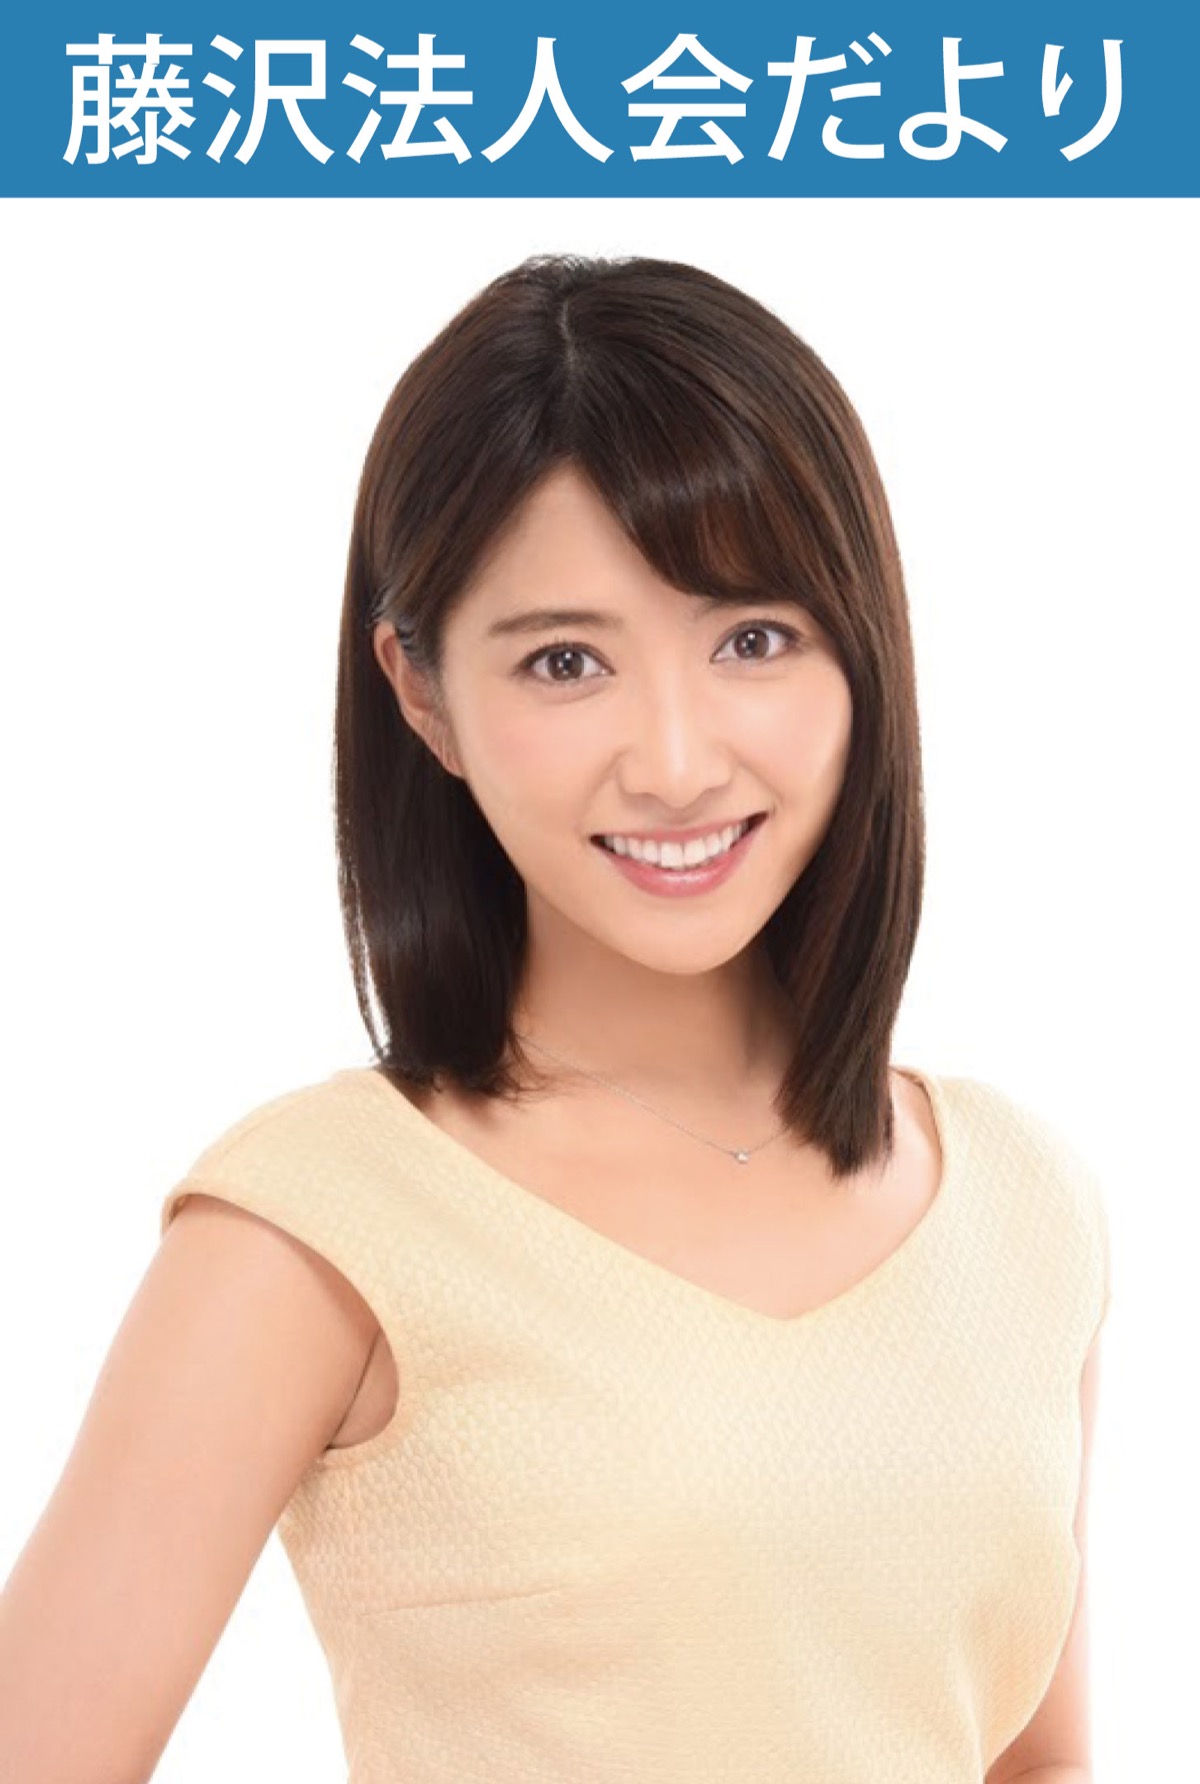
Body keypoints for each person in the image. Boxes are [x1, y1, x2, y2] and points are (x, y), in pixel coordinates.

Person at [0, 254, 1110, 1784]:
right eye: (566, 661)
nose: (675, 762)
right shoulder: (318, 1227)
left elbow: (1031, 1761)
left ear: (863, 649)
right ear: (423, 694)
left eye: (753, 638)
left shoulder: (1017, 1198)